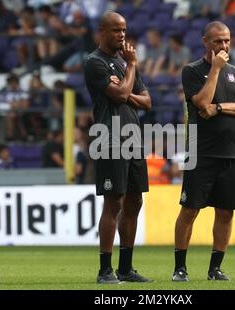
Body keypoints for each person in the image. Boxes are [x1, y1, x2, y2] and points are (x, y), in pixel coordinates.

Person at [173, 21, 235, 282]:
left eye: (227, 40)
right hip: (201, 153)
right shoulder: (192, 71)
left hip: (231, 154)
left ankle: (215, 269)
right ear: (206, 42)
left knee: (226, 212)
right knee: (190, 210)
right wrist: (216, 70)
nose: (224, 46)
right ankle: (180, 268)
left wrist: (220, 109)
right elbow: (201, 102)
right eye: (218, 41)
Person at [84, 12, 152, 284]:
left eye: (124, 30)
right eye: (115, 30)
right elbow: (123, 95)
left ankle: (126, 268)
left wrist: (126, 87)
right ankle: (104, 270)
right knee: (114, 202)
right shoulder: (94, 63)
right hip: (109, 138)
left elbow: (147, 101)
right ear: (102, 31)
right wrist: (132, 66)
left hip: (133, 137)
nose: (122, 35)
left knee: (135, 201)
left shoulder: (123, 64)